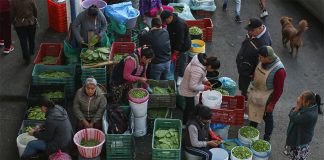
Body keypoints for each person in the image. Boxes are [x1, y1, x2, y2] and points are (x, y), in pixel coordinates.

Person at [247, 46, 286, 141]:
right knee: (254, 110)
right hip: (257, 91)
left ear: (268, 58)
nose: (258, 59)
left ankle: (267, 136)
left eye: (261, 57)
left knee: (267, 116)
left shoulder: (279, 71)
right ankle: (252, 129)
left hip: (267, 96)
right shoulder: (264, 60)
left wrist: (272, 104)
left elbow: (279, 90)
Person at [179, 53, 220, 125]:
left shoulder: (203, 63)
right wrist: (205, 87)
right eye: (213, 69)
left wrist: (206, 81)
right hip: (188, 91)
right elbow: (192, 86)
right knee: (189, 108)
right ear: (210, 66)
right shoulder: (197, 69)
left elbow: (202, 74)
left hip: (191, 88)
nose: (212, 71)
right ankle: (185, 124)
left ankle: (191, 119)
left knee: (192, 106)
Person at [236, 18, 272, 99]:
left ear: (260, 28)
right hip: (244, 68)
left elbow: (263, 62)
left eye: (252, 30)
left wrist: (254, 75)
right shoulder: (254, 33)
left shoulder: (263, 43)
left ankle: (245, 102)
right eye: (249, 29)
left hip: (249, 73)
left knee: (246, 92)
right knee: (243, 88)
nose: (249, 32)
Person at [283, 91, 322, 160]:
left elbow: (292, 117)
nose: (298, 98)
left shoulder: (308, 115)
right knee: (293, 157)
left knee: (297, 158)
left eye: (301, 98)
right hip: (300, 138)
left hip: (300, 142)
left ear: (307, 102)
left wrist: (297, 106)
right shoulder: (311, 107)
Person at [160, 10, 191, 86]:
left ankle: (181, 76)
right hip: (174, 44)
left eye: (165, 21)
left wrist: (175, 53)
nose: (165, 22)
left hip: (183, 46)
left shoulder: (180, 25)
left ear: (170, 17)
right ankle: (170, 75)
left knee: (182, 61)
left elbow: (180, 40)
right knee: (172, 61)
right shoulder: (170, 21)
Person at [11, 0, 37, 64]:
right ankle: (32, 50)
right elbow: (35, 9)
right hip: (31, 22)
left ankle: (27, 58)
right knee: (31, 37)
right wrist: (35, 18)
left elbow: (12, 13)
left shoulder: (14, 1)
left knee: (23, 41)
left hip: (19, 24)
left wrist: (13, 22)